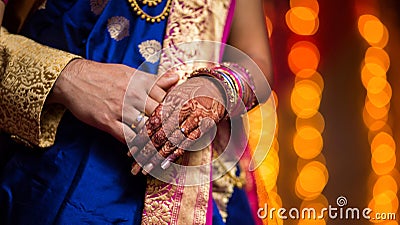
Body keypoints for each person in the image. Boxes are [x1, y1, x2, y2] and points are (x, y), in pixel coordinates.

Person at [0, 0, 273, 224]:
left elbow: (257, 59)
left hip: (188, 193)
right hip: (42, 177)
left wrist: (218, 87)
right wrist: (68, 78)